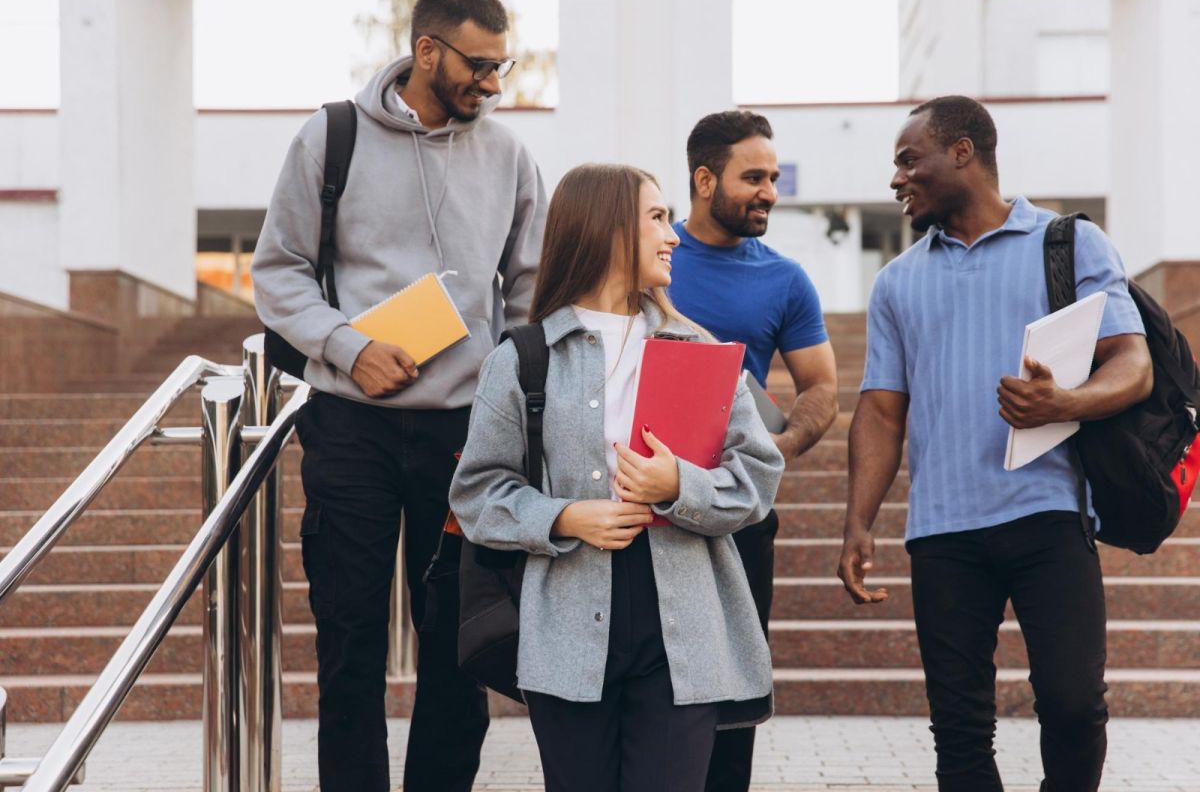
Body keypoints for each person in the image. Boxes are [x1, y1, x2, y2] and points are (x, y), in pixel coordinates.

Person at [250, 0, 546, 790]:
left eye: (500, 65)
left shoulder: (510, 155)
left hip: (465, 432)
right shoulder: (332, 135)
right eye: (478, 65)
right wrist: (349, 347)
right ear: (426, 52)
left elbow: (527, 292)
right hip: (351, 424)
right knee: (349, 643)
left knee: (460, 641)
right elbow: (275, 271)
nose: (491, 82)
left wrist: (504, 391)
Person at [837, 95, 1152, 792]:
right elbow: (883, 413)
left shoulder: (1068, 244)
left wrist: (1065, 402)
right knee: (959, 730)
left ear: (962, 153)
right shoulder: (897, 282)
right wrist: (859, 521)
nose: (897, 179)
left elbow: (1133, 363)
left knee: (1074, 707)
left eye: (907, 159)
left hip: (1049, 514)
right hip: (943, 531)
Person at [449, 163, 785, 792]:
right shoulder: (523, 358)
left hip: (684, 625)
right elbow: (476, 493)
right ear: (606, 229)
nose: (674, 235)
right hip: (567, 624)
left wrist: (678, 485)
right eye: (657, 217)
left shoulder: (698, 348)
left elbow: (759, 476)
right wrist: (566, 516)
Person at [668, 110, 838, 792]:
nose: (769, 190)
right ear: (704, 180)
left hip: (739, 516)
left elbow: (821, 384)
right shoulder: (650, 257)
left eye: (772, 177)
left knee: (734, 697)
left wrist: (783, 445)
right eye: (753, 178)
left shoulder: (786, 279)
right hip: (646, 507)